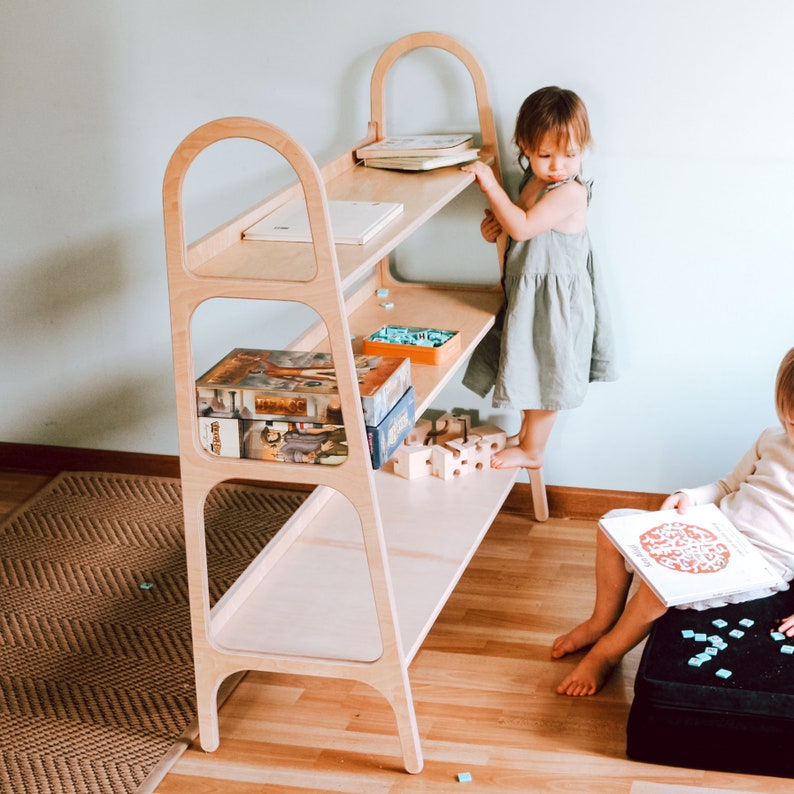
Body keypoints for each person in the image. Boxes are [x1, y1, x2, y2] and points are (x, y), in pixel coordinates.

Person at [553, 346, 794, 696]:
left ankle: (606, 655)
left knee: (659, 588)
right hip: (714, 531)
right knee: (610, 527)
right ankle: (600, 622)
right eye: (791, 420)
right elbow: (727, 485)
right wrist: (690, 496)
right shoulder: (771, 440)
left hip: (761, 565)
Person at [461, 86, 617, 470]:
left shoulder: (572, 193)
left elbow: (527, 227)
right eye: (545, 155)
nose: (558, 166)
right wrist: (495, 227)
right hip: (533, 298)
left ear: (584, 149)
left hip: (558, 305)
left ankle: (534, 450)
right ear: (526, 147)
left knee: (548, 378)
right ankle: (525, 436)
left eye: (571, 154)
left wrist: (490, 185)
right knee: (530, 369)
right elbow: (515, 230)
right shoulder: (531, 183)